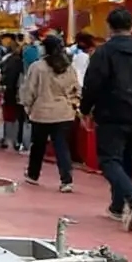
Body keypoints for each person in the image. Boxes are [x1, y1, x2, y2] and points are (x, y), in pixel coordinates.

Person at [79, 7, 132, 230]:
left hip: (111, 112)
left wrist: (85, 109)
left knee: (109, 160)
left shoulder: (103, 53)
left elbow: (92, 84)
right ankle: (117, 205)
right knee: (128, 157)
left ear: (109, 27)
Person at [20, 34, 79, 192]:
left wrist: (27, 106)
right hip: (64, 112)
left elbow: (29, 90)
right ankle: (66, 180)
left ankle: (33, 174)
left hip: (41, 112)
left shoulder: (37, 67)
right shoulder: (68, 67)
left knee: (38, 145)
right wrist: (74, 104)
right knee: (61, 146)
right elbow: (76, 89)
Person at [0, 37, 27, 152]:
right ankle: (16, 140)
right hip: (17, 92)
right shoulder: (19, 61)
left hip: (9, 91)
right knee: (18, 117)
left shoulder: (7, 60)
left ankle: (7, 139)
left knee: (8, 116)